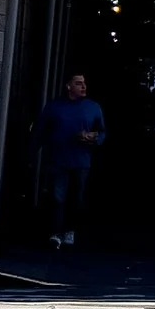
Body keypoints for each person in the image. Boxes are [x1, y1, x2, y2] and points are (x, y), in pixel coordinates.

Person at [34, 73, 105, 249]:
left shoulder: (93, 107)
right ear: (68, 86)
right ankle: (56, 232)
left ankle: (69, 230)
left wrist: (94, 138)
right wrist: (32, 153)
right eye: (78, 83)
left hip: (81, 160)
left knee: (76, 198)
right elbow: (40, 130)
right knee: (57, 197)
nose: (83, 87)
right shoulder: (54, 107)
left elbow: (102, 132)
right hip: (58, 158)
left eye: (84, 83)